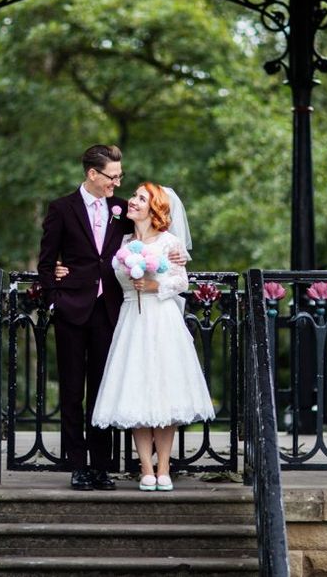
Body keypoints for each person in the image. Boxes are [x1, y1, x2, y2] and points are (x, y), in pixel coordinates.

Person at [38, 145, 185, 490]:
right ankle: (77, 465)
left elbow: (150, 233)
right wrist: (55, 300)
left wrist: (174, 249)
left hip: (112, 313)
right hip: (72, 310)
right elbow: (46, 263)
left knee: (105, 389)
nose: (117, 184)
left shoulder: (122, 209)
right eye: (112, 177)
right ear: (93, 174)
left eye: (119, 177)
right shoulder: (62, 209)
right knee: (72, 391)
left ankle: (102, 466)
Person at [91, 181, 215, 492]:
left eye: (140, 198)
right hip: (132, 319)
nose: (132, 201)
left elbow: (182, 282)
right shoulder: (122, 242)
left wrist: (156, 287)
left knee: (165, 392)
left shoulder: (169, 243)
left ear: (154, 208)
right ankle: (145, 468)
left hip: (162, 320)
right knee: (137, 391)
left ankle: (164, 468)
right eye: (133, 196)